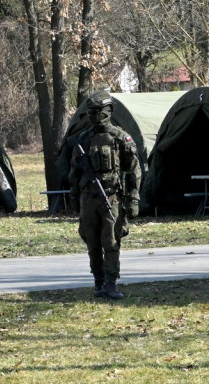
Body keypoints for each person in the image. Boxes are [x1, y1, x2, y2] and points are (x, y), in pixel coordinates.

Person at [65, 91, 141, 300]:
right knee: (92, 241)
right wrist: (73, 197)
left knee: (111, 241)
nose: (97, 116)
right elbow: (74, 172)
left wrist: (133, 199)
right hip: (88, 199)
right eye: (93, 112)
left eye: (100, 111)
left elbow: (134, 170)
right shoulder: (83, 139)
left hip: (111, 198)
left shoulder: (120, 138)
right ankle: (98, 282)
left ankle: (110, 283)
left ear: (109, 111)